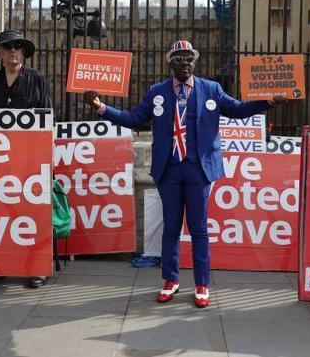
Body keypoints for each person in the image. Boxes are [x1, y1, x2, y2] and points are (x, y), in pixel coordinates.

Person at [83, 40, 286, 308]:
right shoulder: (157, 92)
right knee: (171, 228)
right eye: (178, 58)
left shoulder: (211, 89)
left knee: (199, 229)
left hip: (198, 169)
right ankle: (170, 280)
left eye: (188, 58)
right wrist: (100, 107)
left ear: (194, 61)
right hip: (169, 169)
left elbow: (237, 110)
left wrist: (267, 102)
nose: (184, 63)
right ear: (170, 63)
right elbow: (133, 119)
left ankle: (202, 285)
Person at [0, 30, 52, 288]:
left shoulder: (37, 80)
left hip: (30, 160)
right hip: (0, 161)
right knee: (1, 214)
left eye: (18, 47)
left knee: (34, 213)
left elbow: (47, 120)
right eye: (7, 46)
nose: (13, 51)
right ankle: (0, 265)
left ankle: (38, 268)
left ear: (24, 52)